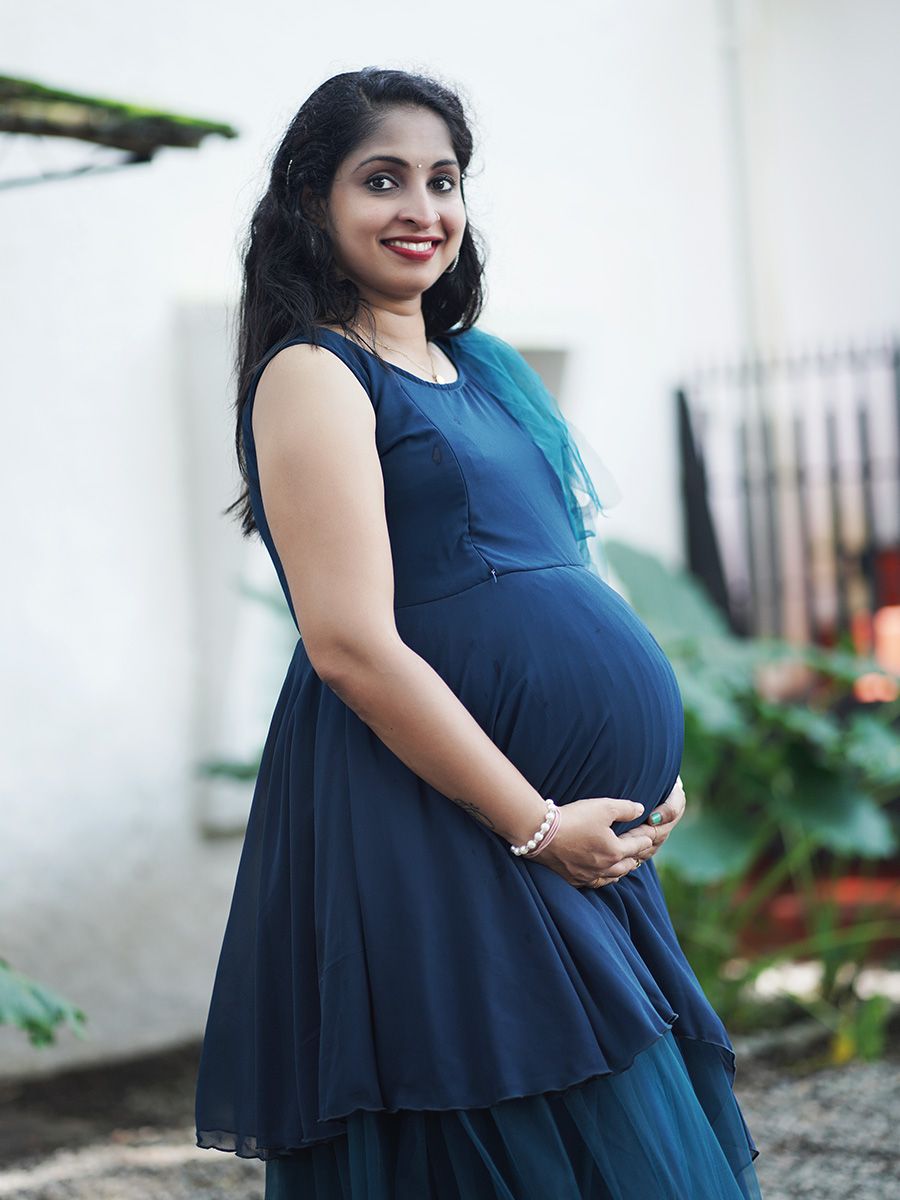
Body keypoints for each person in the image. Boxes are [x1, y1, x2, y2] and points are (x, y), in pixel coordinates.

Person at [194, 67, 763, 1199]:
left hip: (564, 827)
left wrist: (643, 761)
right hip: (440, 816)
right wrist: (537, 826)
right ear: (310, 199)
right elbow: (350, 644)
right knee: (504, 1117)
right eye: (382, 180)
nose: (422, 208)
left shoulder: (489, 370)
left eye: (443, 180)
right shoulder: (314, 374)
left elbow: (562, 573)